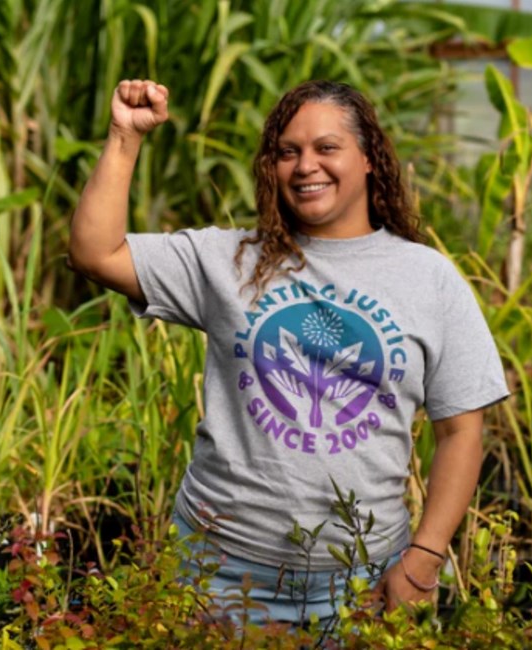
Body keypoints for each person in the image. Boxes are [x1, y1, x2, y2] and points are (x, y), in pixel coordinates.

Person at [68, 78, 509, 625]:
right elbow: (95, 252)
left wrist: (424, 557)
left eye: (327, 148)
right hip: (218, 571)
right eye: (287, 152)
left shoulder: (429, 278)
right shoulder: (230, 260)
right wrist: (124, 135)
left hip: (364, 579)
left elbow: (462, 430)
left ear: (369, 159)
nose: (306, 166)